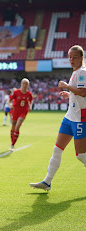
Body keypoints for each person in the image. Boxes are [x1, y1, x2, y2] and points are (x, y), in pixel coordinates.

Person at [30, 45, 86, 191]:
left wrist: (67, 87)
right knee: (57, 149)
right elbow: (79, 93)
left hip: (80, 118)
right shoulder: (76, 72)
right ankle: (47, 182)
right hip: (70, 116)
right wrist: (70, 95)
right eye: (70, 57)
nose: (71, 59)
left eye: (75, 57)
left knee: (81, 155)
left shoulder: (82, 72)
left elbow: (84, 92)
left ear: (81, 58)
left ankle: (47, 182)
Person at [9, 78, 33, 151]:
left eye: (26, 84)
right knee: (13, 128)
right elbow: (9, 100)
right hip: (15, 111)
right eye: (24, 83)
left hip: (23, 112)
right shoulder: (16, 92)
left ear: (28, 85)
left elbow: (31, 101)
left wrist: (30, 106)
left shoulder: (29, 94)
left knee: (17, 127)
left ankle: (13, 145)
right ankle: (12, 142)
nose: (25, 85)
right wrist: (10, 105)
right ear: (21, 84)